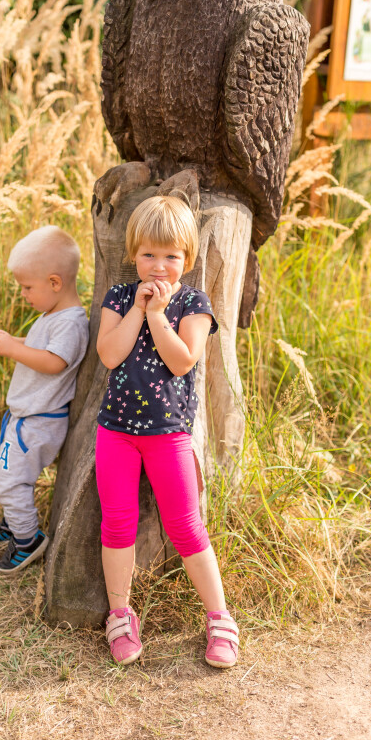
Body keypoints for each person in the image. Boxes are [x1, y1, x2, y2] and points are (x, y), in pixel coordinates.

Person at [95, 195, 239, 669]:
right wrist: (138, 310)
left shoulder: (194, 303)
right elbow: (110, 355)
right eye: (149, 255)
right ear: (134, 255)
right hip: (116, 432)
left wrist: (158, 314)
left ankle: (219, 617)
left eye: (171, 256)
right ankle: (120, 614)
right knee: (117, 523)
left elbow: (183, 360)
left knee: (185, 524)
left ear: (188, 259)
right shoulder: (119, 298)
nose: (159, 266)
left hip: (168, 434)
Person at [0, 226, 89, 575]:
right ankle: (15, 523)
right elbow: (39, 348)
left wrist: (14, 349)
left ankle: (28, 540)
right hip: (27, 417)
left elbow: (54, 361)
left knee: (10, 480)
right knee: (8, 472)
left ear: (55, 283)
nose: (23, 294)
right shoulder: (53, 316)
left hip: (40, 422)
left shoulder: (71, 324)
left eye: (28, 287)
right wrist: (10, 340)